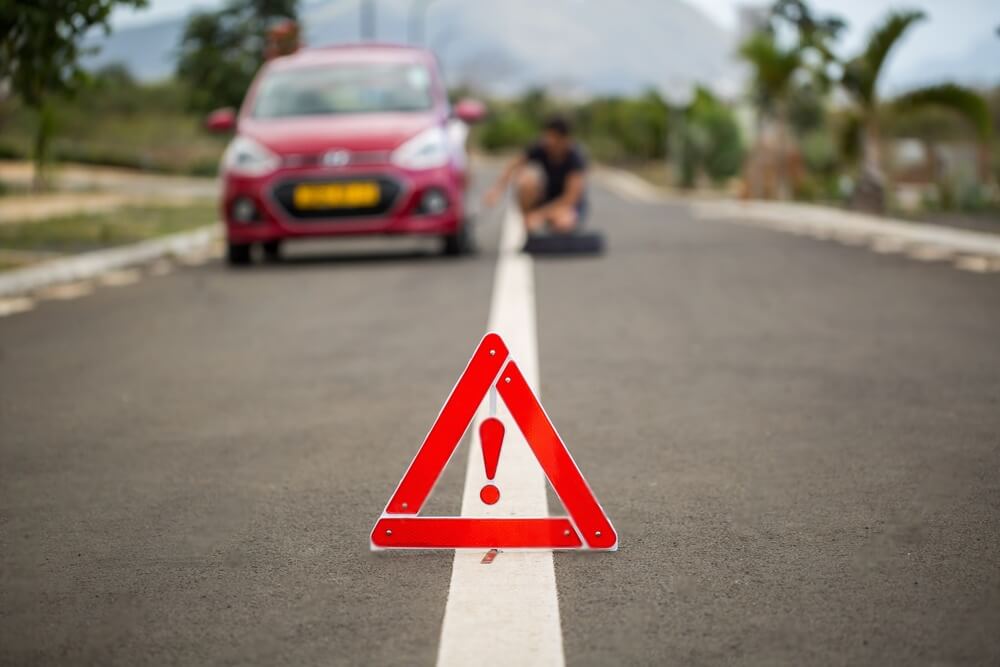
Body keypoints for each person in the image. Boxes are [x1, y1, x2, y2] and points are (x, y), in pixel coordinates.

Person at [483, 115, 588, 234]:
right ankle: (525, 222)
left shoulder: (575, 158)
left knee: (563, 223)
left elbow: (570, 198)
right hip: (546, 196)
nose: (548, 141)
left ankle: (545, 226)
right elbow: (514, 165)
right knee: (526, 182)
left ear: (564, 139)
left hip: (567, 204)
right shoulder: (541, 147)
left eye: (553, 138)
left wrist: (540, 215)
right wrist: (497, 190)